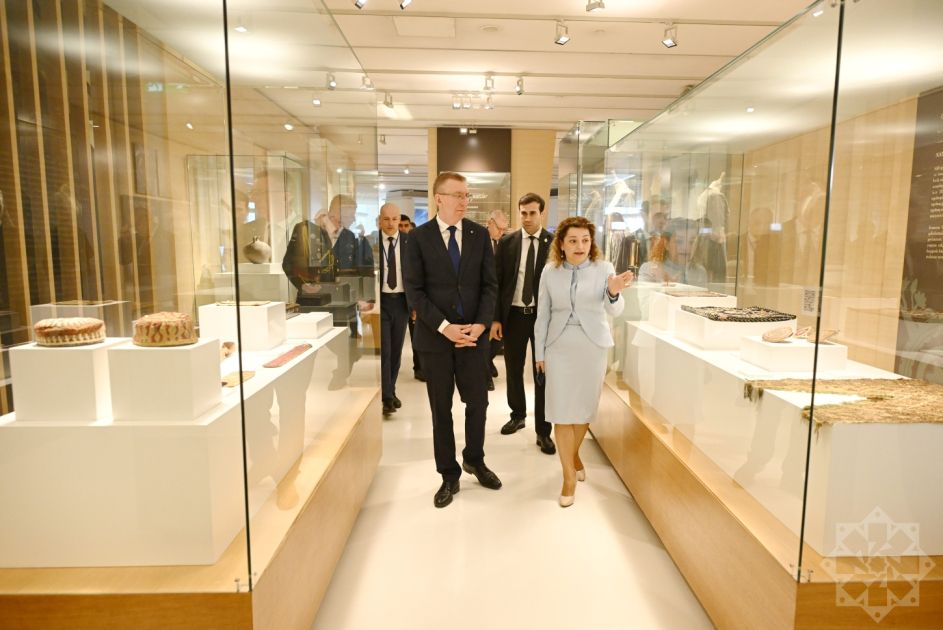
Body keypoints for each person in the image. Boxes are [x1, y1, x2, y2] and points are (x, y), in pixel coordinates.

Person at [403, 171, 500, 509]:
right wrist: (445, 327)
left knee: (478, 404)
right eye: (458, 195)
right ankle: (448, 473)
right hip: (436, 340)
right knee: (441, 410)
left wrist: (481, 325)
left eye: (466, 195)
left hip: (474, 337)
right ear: (439, 198)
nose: (464, 201)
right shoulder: (418, 238)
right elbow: (414, 292)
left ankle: (474, 458)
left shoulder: (478, 234)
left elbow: (489, 286)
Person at [534, 216, 632, 507]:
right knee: (561, 411)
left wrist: (613, 292)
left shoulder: (604, 269)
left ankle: (574, 454)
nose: (580, 246)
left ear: (592, 243)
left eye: (585, 240)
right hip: (558, 346)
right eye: (573, 240)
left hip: (592, 347)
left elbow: (615, 311)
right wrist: (539, 353)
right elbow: (543, 314)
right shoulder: (550, 271)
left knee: (584, 410)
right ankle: (568, 476)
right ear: (561, 244)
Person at [490, 192, 556, 455]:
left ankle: (543, 430)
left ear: (541, 213)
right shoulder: (507, 242)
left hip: (543, 317)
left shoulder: (554, 244)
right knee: (513, 368)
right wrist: (496, 318)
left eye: (532, 213)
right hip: (515, 315)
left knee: (542, 373)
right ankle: (517, 415)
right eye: (523, 213)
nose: (527, 218)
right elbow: (497, 283)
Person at [376, 202, 410, 417]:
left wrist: (415, 305)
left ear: (400, 220)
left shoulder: (409, 242)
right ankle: (387, 396)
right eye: (386, 219)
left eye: (394, 219)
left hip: (401, 302)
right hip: (380, 302)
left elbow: (416, 275)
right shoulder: (370, 242)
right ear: (380, 220)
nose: (390, 223)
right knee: (385, 350)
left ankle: (390, 390)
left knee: (396, 351)